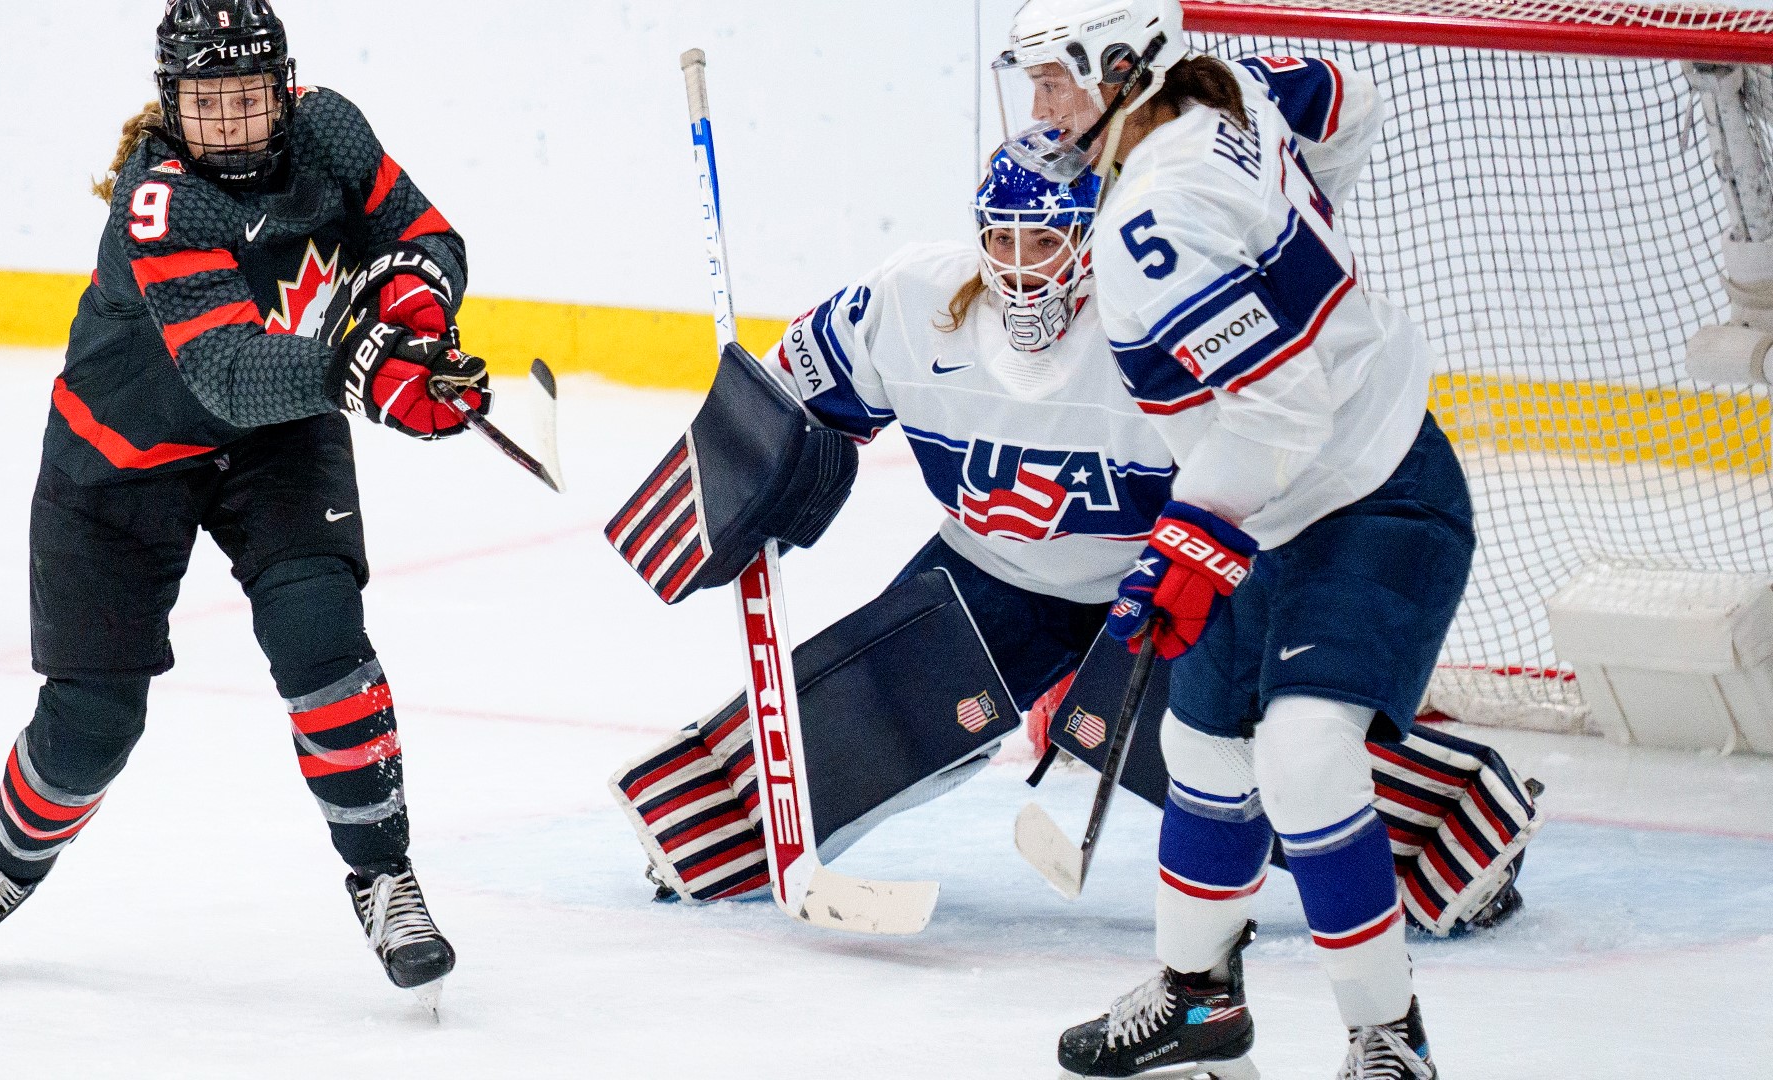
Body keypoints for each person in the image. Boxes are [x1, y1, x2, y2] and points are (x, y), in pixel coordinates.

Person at [605, 149, 1534, 960]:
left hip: (1156, 575)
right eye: (1000, 240)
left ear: (1090, 240)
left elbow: (1278, 447)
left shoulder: (1161, 323)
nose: (1017, 268)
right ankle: (714, 827)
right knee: (882, 705)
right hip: (992, 569)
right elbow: (793, 393)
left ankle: (1447, 830)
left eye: (1042, 242)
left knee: (1220, 751)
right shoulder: (910, 302)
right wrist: (755, 469)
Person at [0, 0, 487, 1011]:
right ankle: (6, 863)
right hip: (119, 461)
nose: (225, 121)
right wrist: (361, 371)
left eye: (246, 97)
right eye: (203, 100)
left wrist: (415, 335)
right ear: (171, 101)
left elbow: (424, 237)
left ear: (283, 86)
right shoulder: (160, 199)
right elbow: (222, 371)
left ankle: (384, 878)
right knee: (92, 722)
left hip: (277, 446)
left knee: (323, 638)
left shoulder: (331, 130)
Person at [992, 1, 1476, 1077]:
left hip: (1373, 497)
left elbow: (1282, 409)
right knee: (1200, 745)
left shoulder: (1149, 222)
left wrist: (1186, 545)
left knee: (1305, 758)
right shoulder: (1222, 85)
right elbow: (1343, 102)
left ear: (1123, 68)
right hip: (1279, 501)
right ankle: (1198, 1001)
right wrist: (1288, 257)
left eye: (1056, 80)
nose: (1040, 109)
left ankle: (1388, 1040)